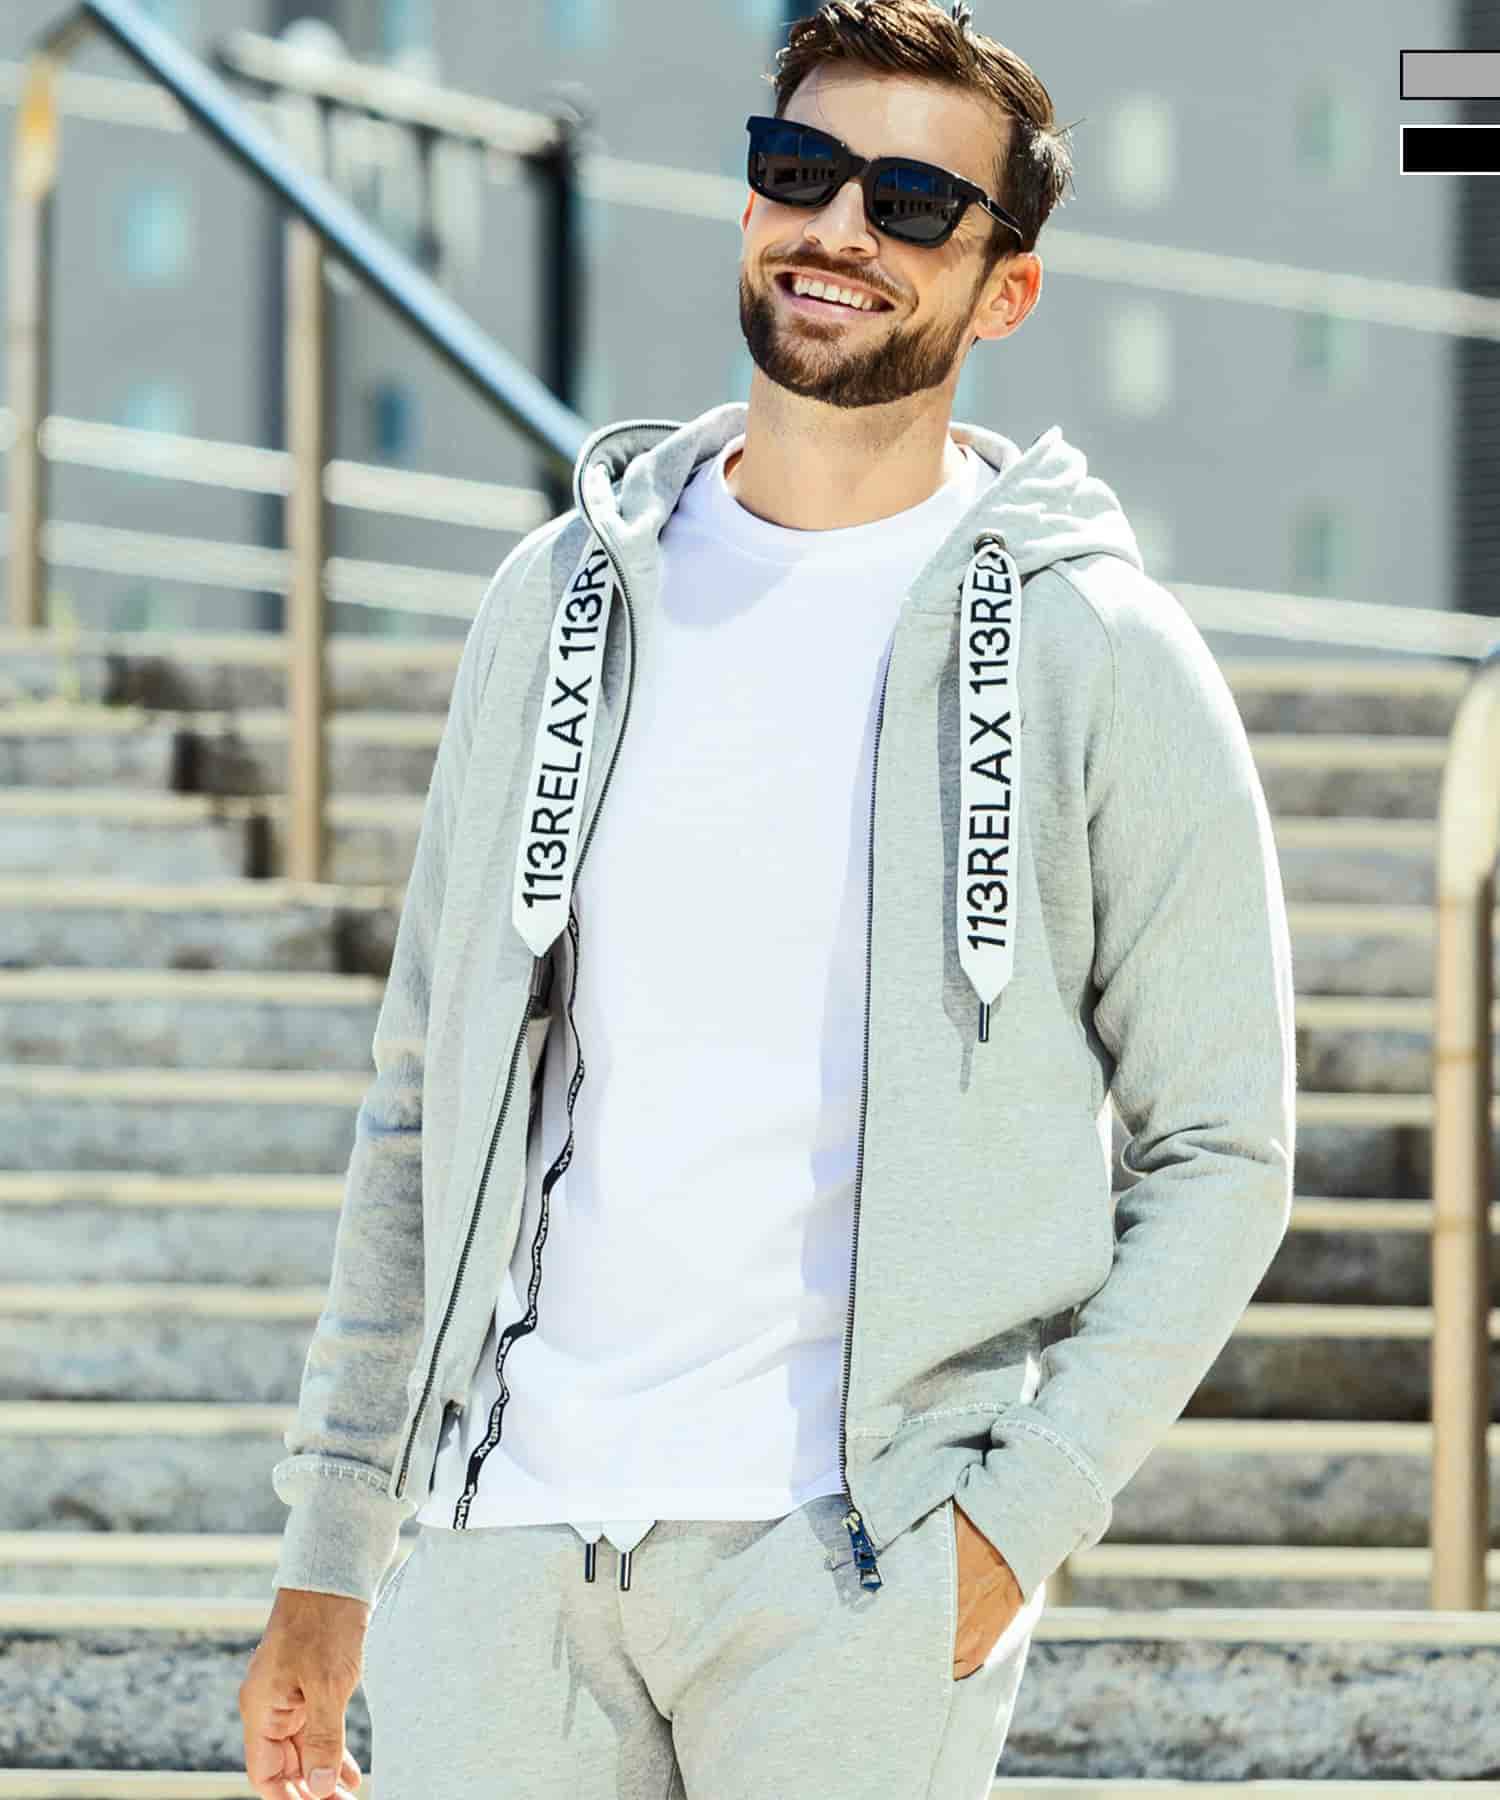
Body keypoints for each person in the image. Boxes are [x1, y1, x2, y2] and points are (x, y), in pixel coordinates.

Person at [239, 2, 1296, 1795]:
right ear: (748, 202)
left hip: (852, 1565)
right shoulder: (558, 604)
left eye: (911, 202)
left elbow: (1226, 1147)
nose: (839, 230)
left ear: (1006, 291)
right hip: (500, 1545)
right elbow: (427, 1095)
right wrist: (335, 1545)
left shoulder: (1097, 649)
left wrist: (1015, 1522)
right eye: (802, 171)